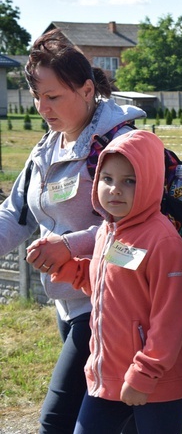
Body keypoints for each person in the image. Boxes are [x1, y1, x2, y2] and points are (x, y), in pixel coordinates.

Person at [0, 29, 145, 433]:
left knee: (56, 421)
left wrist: (69, 245)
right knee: (121, 422)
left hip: (109, 301)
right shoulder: (46, 147)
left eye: (53, 97)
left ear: (86, 90)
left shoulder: (121, 143)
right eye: (37, 97)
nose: (43, 108)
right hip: (70, 299)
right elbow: (15, 214)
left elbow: (137, 227)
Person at [45, 130, 182, 433]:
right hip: (110, 373)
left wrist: (144, 374)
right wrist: (75, 272)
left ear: (152, 182)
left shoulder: (164, 241)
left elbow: (170, 320)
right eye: (107, 179)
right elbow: (115, 287)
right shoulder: (107, 229)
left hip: (157, 384)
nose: (115, 189)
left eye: (130, 181)